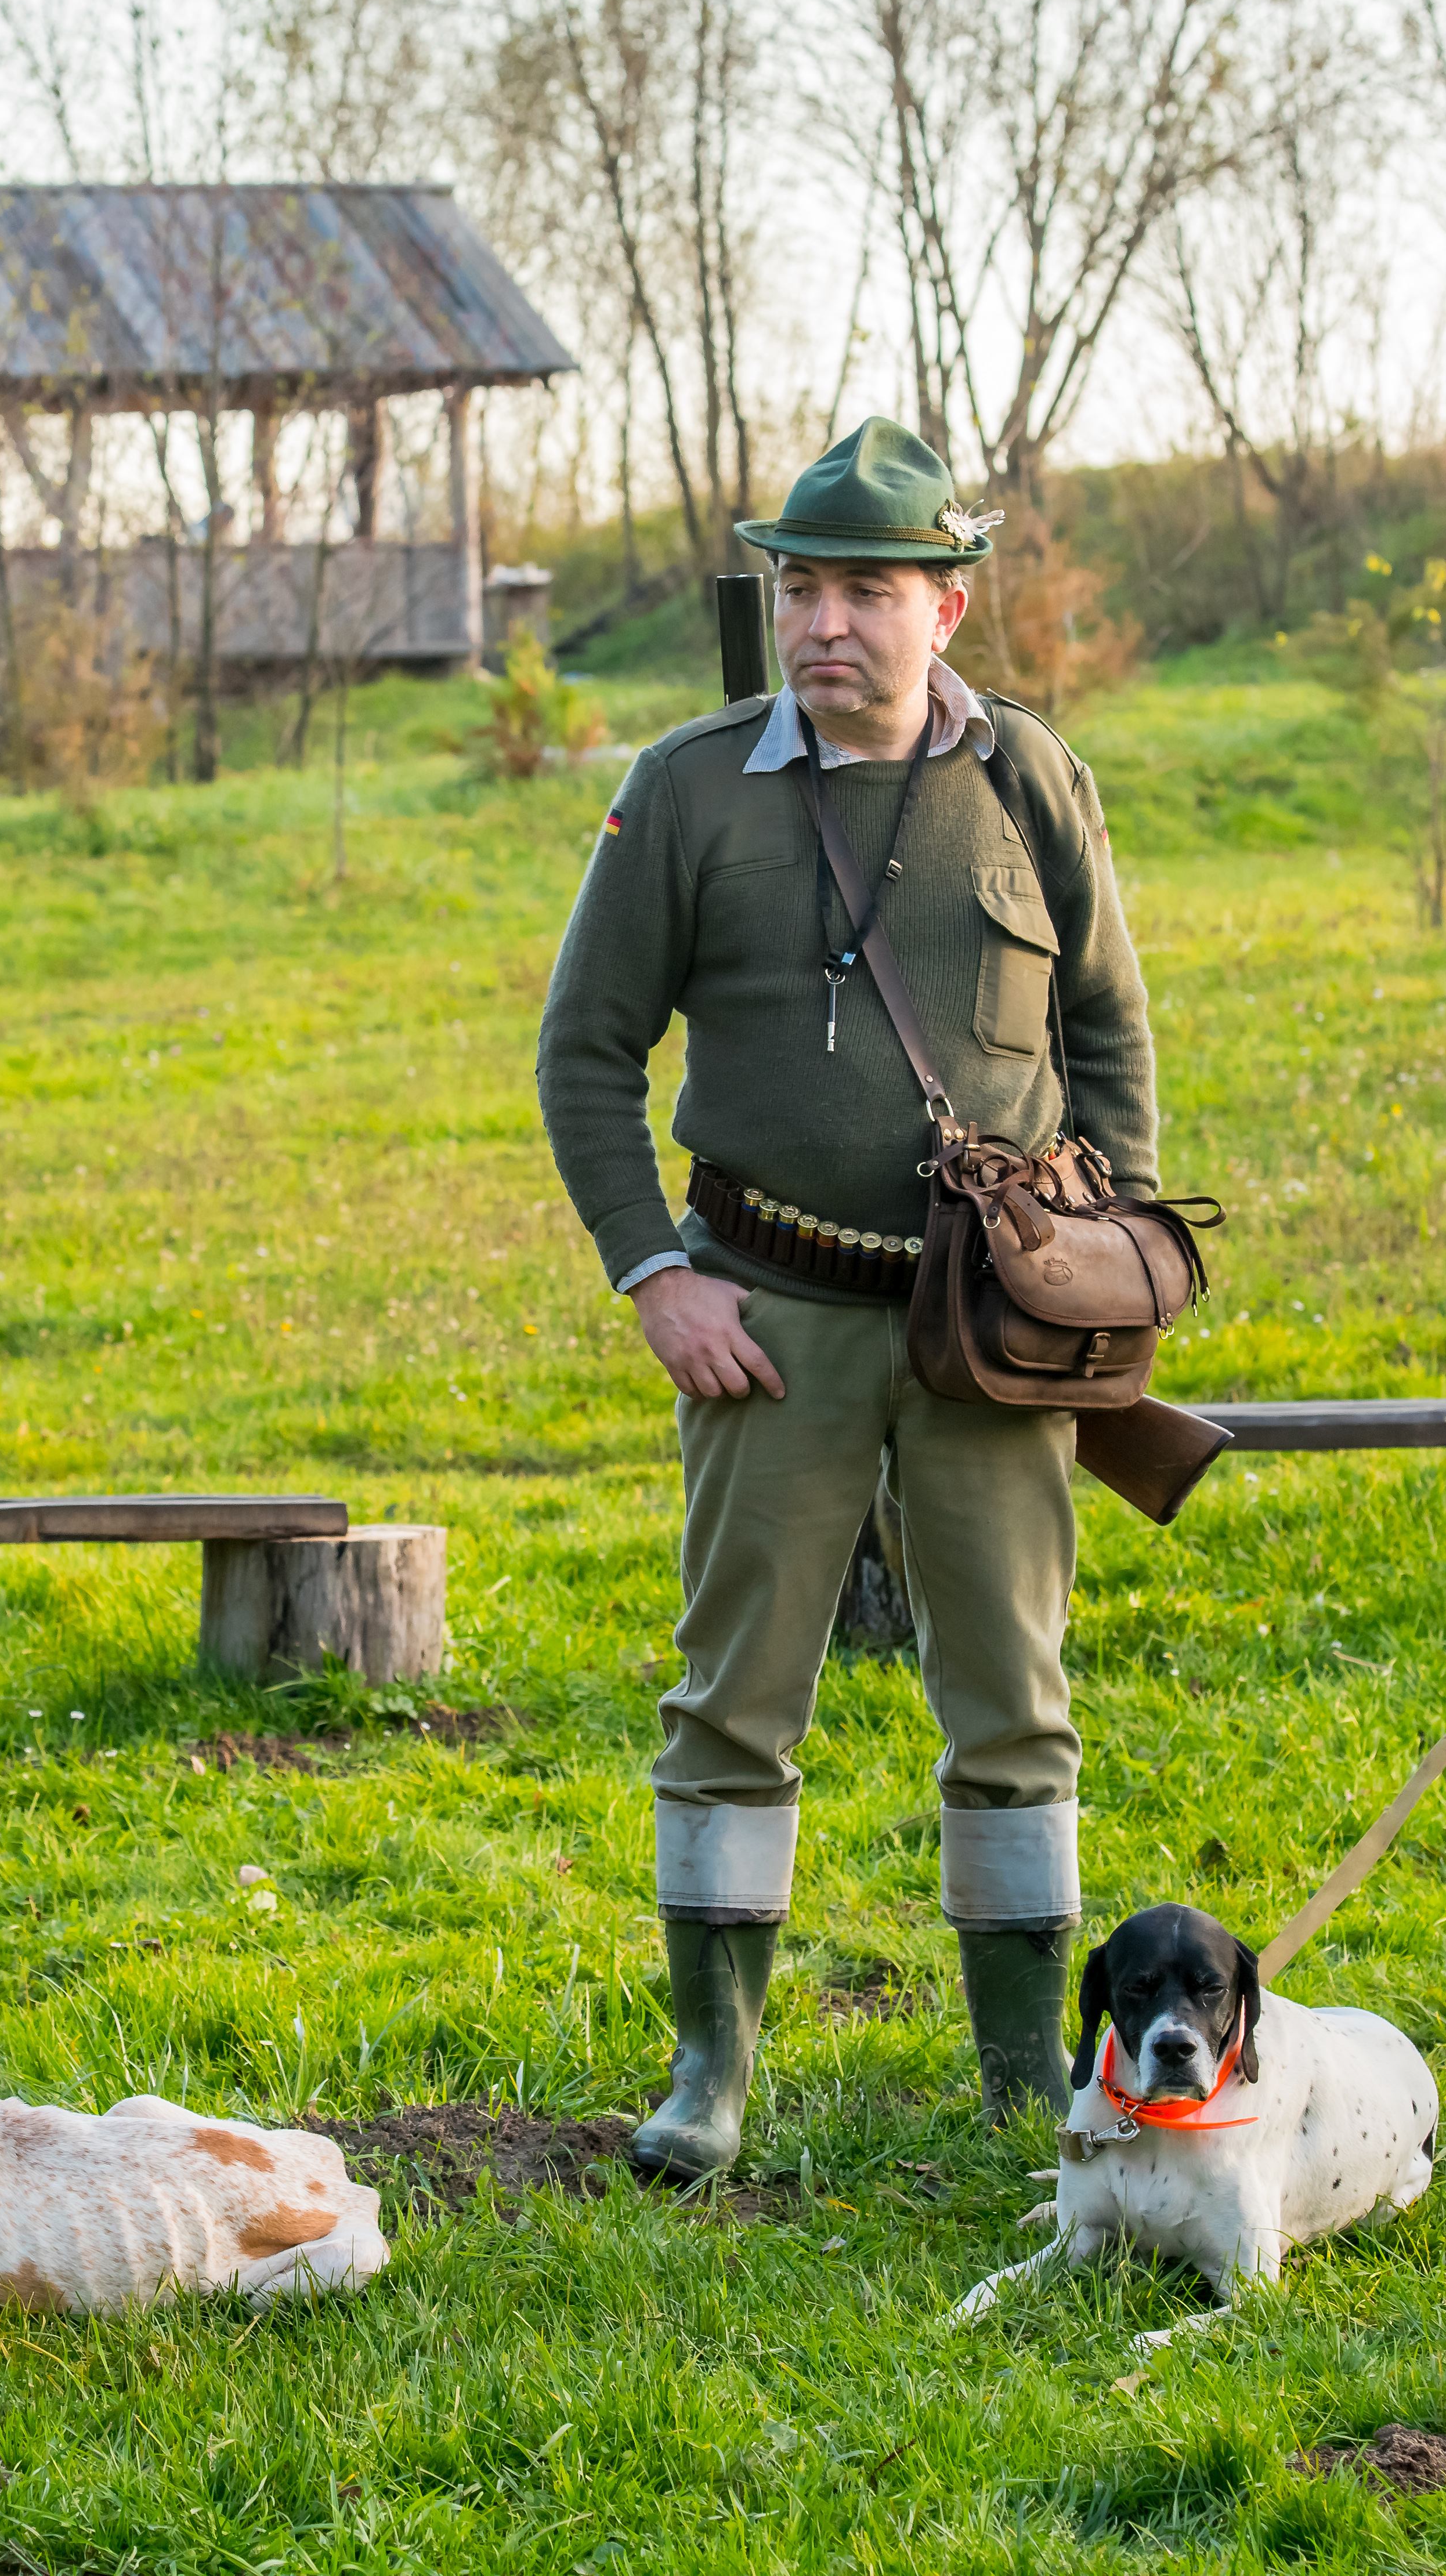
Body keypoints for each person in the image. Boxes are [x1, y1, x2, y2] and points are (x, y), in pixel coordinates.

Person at [534, 418, 1164, 2178]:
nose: (827, 622)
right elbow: (586, 1051)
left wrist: (1091, 1265)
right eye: (801, 586)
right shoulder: (684, 788)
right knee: (733, 1701)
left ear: (946, 606)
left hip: (989, 1327)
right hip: (769, 1315)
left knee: (1015, 1705)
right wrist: (656, 1273)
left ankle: (1020, 2078)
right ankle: (710, 2082)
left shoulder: (1033, 782)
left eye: (868, 590)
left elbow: (1108, 1035)